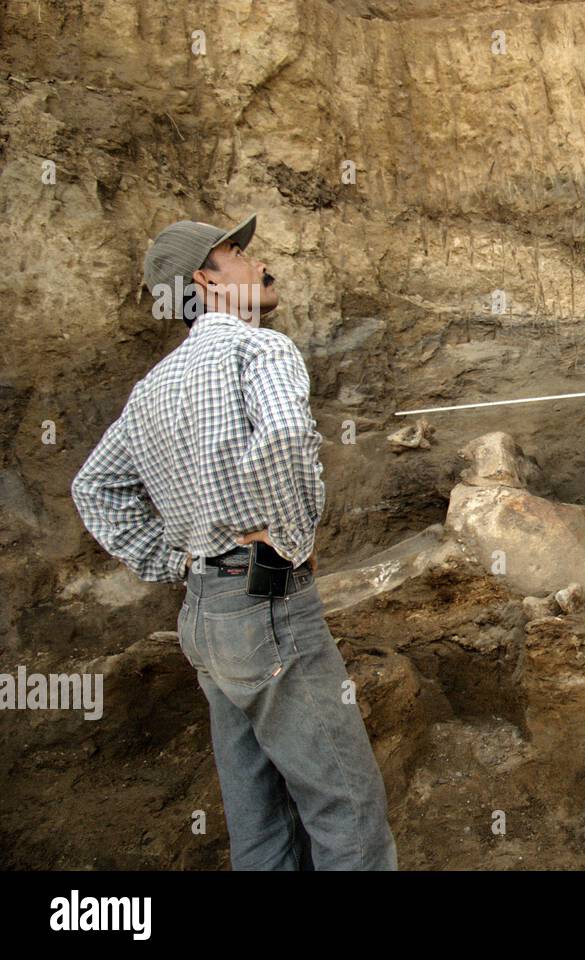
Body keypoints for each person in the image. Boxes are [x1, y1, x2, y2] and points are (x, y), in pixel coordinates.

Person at [71, 213, 397, 870]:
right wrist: (289, 543)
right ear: (205, 280)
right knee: (345, 807)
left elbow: (94, 486)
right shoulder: (260, 349)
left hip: (204, 613)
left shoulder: (152, 389)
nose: (258, 261)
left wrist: (175, 558)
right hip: (264, 598)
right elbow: (279, 441)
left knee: (259, 822)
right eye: (236, 252)